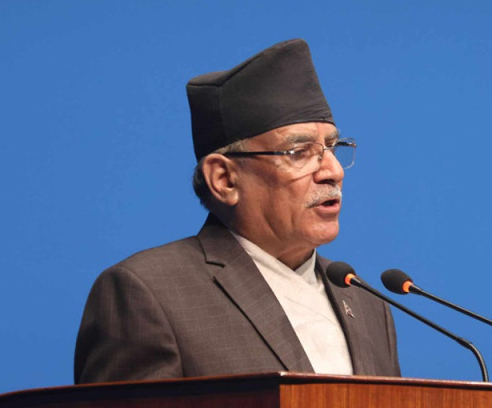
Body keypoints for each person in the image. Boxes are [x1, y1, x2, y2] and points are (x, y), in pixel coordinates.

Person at [74, 39, 400, 384]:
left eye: (332, 147)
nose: (333, 171)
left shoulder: (365, 301)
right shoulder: (148, 293)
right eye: (299, 152)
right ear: (225, 179)